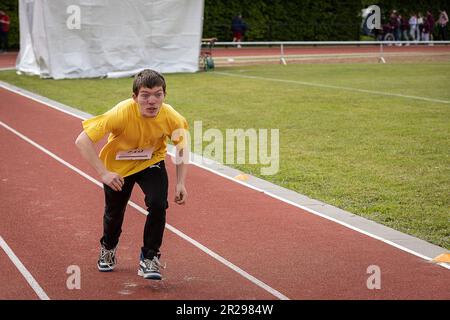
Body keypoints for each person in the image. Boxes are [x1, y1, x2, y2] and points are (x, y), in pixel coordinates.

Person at [75, 69, 189, 280]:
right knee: (114, 213)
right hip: (117, 167)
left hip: (151, 162)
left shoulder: (171, 116)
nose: (152, 101)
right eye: (145, 95)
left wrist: (181, 182)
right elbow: (82, 141)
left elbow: (182, 147)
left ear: (165, 95)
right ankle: (108, 248)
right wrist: (104, 173)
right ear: (135, 97)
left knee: (158, 204)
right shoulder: (120, 113)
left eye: (158, 94)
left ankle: (149, 257)